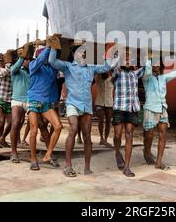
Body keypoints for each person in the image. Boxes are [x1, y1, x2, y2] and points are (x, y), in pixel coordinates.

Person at [48, 35, 119, 177]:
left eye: (85, 53)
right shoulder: (67, 67)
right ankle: (68, 166)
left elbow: (107, 66)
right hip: (73, 104)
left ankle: (87, 167)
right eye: (81, 52)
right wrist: (54, 46)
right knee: (73, 128)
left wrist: (114, 52)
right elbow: (52, 61)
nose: (84, 54)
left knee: (87, 136)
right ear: (74, 54)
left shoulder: (91, 68)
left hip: (86, 106)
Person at [142, 51, 176, 170]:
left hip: (162, 108)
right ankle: (147, 152)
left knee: (163, 134)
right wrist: (148, 58)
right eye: (154, 64)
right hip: (150, 108)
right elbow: (148, 70)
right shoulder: (146, 78)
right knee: (149, 136)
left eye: (158, 64)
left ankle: (158, 161)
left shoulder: (163, 78)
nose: (156, 66)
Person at [26, 38, 63, 170]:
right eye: (44, 55)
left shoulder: (52, 70)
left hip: (46, 102)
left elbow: (53, 86)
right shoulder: (34, 65)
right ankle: (33, 159)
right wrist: (49, 46)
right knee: (34, 130)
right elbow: (41, 59)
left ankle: (48, 155)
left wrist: (54, 48)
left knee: (58, 126)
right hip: (33, 101)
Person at [112, 50, 145, 177]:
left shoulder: (135, 74)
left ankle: (127, 167)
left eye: (130, 59)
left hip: (132, 108)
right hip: (119, 107)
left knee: (129, 135)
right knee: (117, 136)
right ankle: (117, 152)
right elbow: (112, 69)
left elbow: (146, 66)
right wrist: (119, 60)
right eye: (126, 58)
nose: (128, 60)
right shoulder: (117, 73)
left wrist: (144, 54)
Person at [9, 43, 32, 163]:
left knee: (35, 123)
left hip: (29, 101)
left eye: (28, 59)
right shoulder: (15, 69)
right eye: (25, 59)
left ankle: (24, 143)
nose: (27, 61)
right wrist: (22, 57)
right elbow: (16, 66)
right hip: (17, 100)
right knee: (16, 123)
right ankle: (13, 152)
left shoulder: (32, 71)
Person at [0, 52, 13, 148]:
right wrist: (4, 62)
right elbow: (6, 72)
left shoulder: (12, 70)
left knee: (12, 122)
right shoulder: (0, 70)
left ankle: (2, 138)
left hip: (8, 101)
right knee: (1, 120)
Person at [94, 72, 114, 147]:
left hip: (109, 103)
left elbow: (116, 71)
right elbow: (95, 70)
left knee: (108, 122)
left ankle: (105, 139)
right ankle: (101, 138)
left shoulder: (112, 79)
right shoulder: (98, 79)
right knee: (101, 120)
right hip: (99, 103)